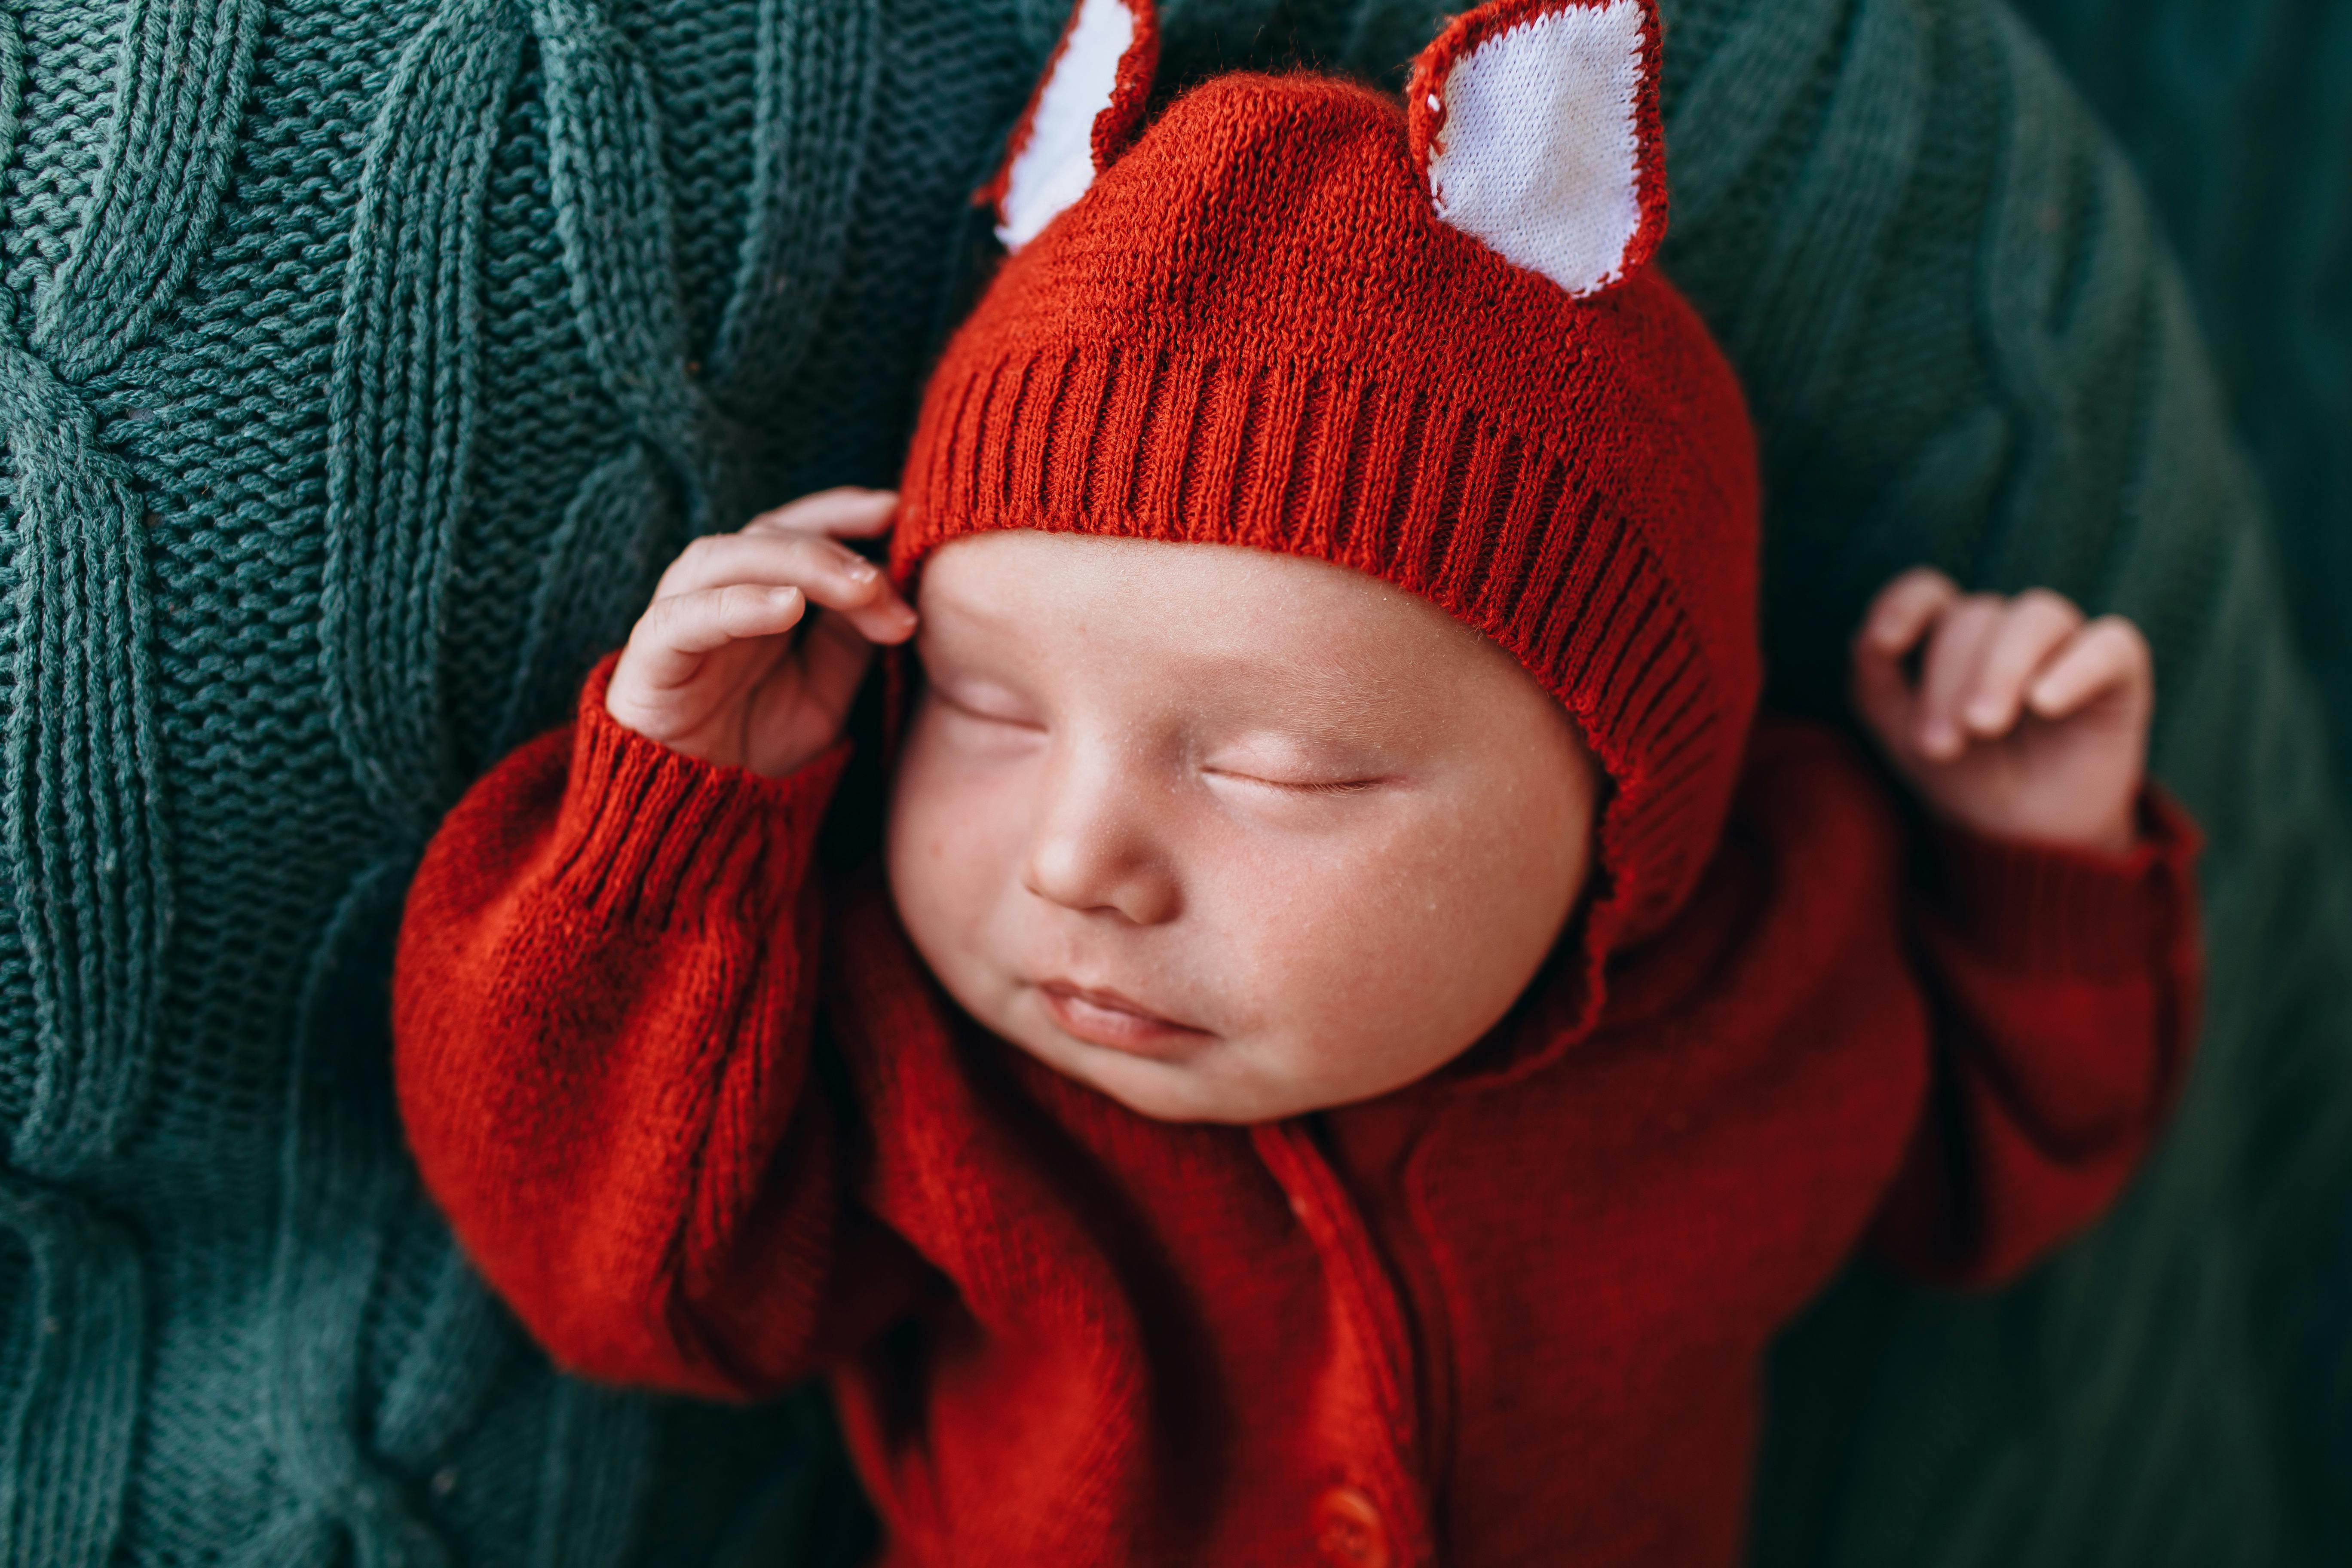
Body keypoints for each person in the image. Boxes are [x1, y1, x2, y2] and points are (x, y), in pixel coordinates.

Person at [392, 1, 2200, 1561]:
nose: (1079, 859)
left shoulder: (1770, 974)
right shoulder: (933, 1065)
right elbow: (636, 1285)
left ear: (1625, 812)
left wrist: (2028, 859)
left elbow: (1988, 1180)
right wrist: (672, 831)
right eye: (986, 710)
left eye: (1286, 769)